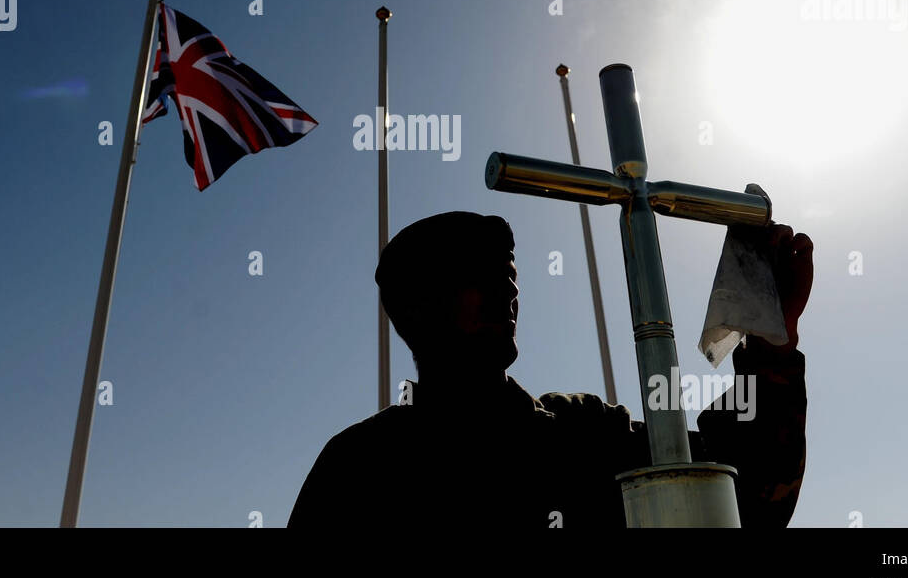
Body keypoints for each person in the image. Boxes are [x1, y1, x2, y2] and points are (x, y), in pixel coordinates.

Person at [287, 211, 811, 528]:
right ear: (419, 307)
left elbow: (739, 497)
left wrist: (770, 346)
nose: (508, 290)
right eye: (479, 276)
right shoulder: (358, 469)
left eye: (509, 277)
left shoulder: (585, 434)